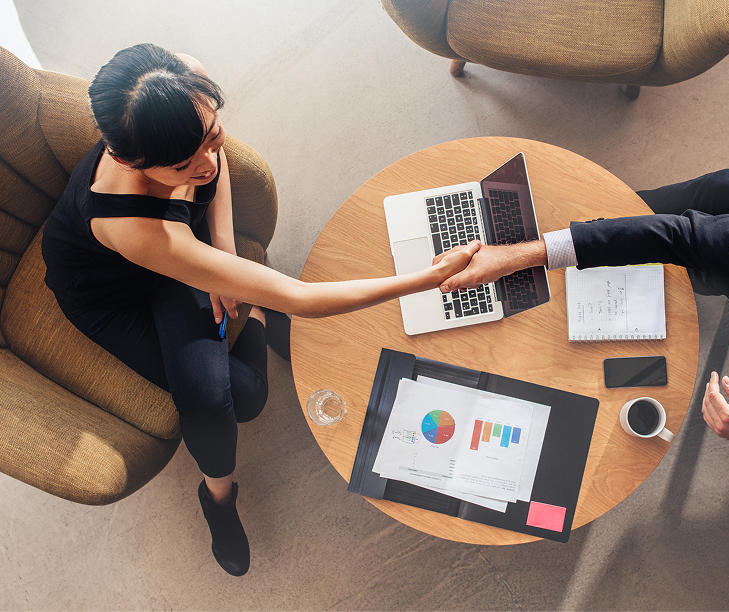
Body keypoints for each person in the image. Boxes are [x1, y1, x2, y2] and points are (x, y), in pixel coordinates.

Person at [41, 43, 479, 576]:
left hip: (185, 249)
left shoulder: (187, 81)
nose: (206, 165)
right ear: (128, 160)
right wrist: (428, 279)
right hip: (110, 291)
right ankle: (218, 499)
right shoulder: (131, 227)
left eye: (212, 137)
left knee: (237, 395)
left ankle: (255, 318)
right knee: (228, 398)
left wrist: (223, 253)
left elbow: (215, 166)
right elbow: (301, 298)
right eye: (182, 164)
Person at [437, 169, 729, 524]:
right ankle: (594, 222)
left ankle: (678, 272)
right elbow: (693, 235)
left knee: (716, 268)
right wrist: (527, 254)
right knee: (720, 196)